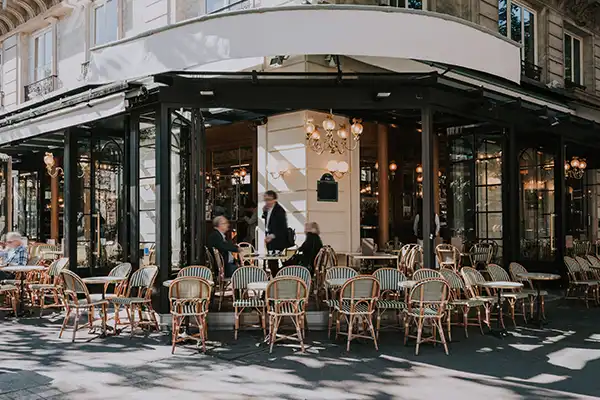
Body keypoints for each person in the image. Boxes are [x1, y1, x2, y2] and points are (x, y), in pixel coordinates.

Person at [262, 190, 289, 275]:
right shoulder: (267, 209)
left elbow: (283, 228)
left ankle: (277, 280)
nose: (267, 202)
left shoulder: (279, 210)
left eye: (269, 199)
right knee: (271, 263)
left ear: (274, 199)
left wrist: (272, 236)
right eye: (266, 200)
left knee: (274, 264)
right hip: (270, 240)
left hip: (278, 240)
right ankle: (275, 279)